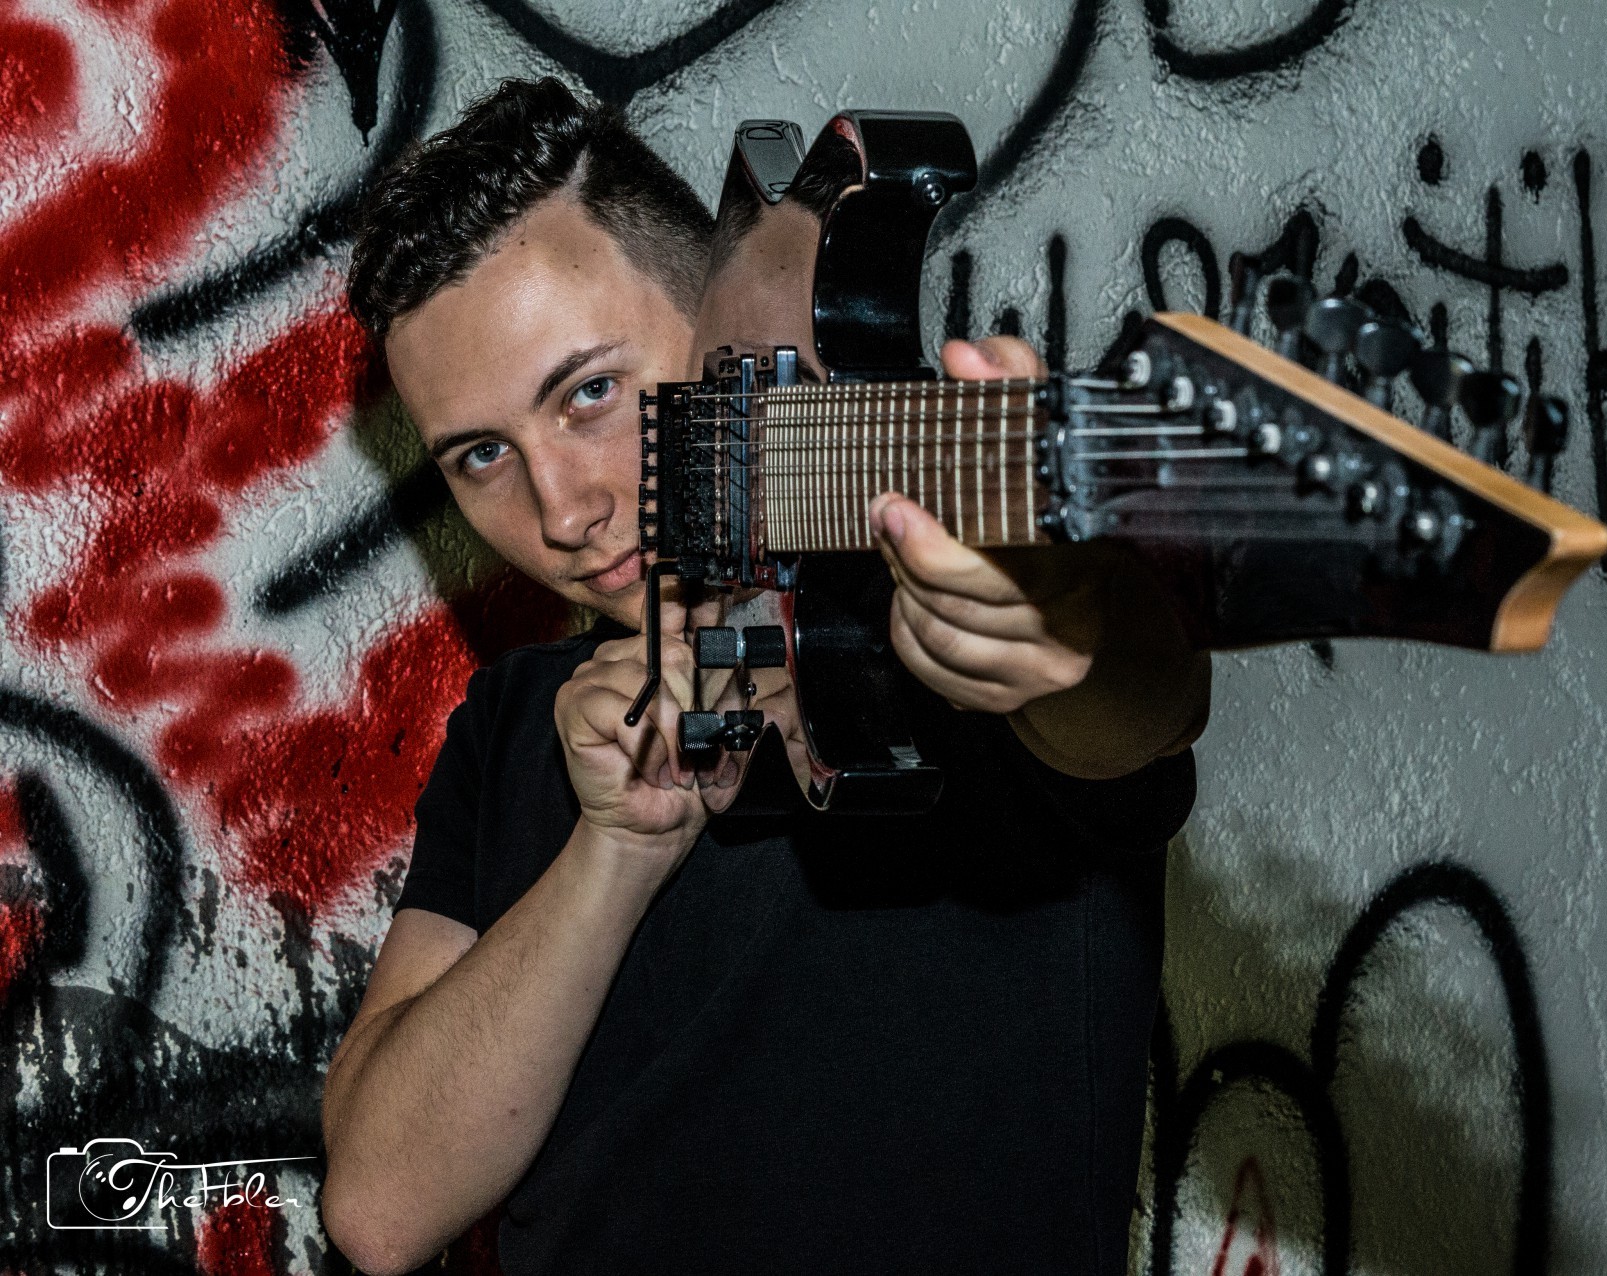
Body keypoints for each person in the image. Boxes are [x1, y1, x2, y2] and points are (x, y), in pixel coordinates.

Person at [320, 77, 1209, 1276]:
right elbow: (378, 1208)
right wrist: (613, 850)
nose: (562, 509)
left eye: (589, 393)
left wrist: (1069, 618)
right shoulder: (516, 717)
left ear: (723, 330)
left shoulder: (945, 618)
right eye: (483, 454)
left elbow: (1138, 700)